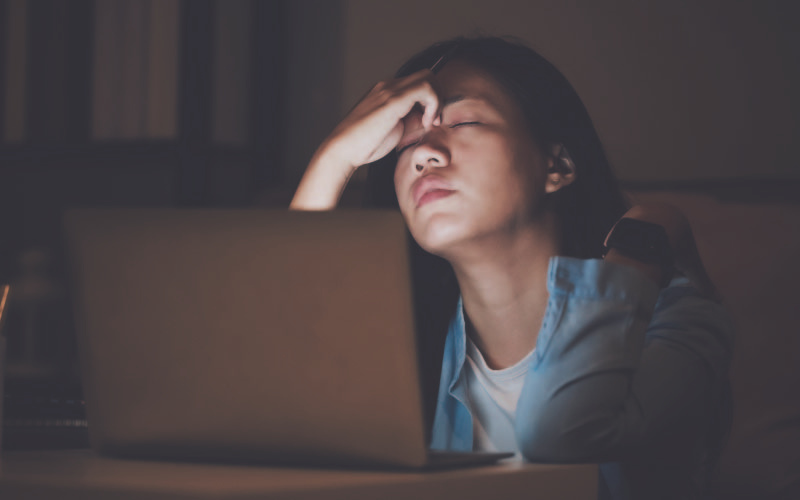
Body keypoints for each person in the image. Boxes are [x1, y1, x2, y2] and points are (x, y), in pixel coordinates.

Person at [290, 36, 733, 500]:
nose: (424, 154)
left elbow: (563, 432)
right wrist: (335, 159)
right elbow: (273, 376)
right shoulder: (410, 344)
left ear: (557, 164)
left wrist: (640, 242)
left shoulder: (683, 325)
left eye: (464, 120)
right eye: (409, 142)